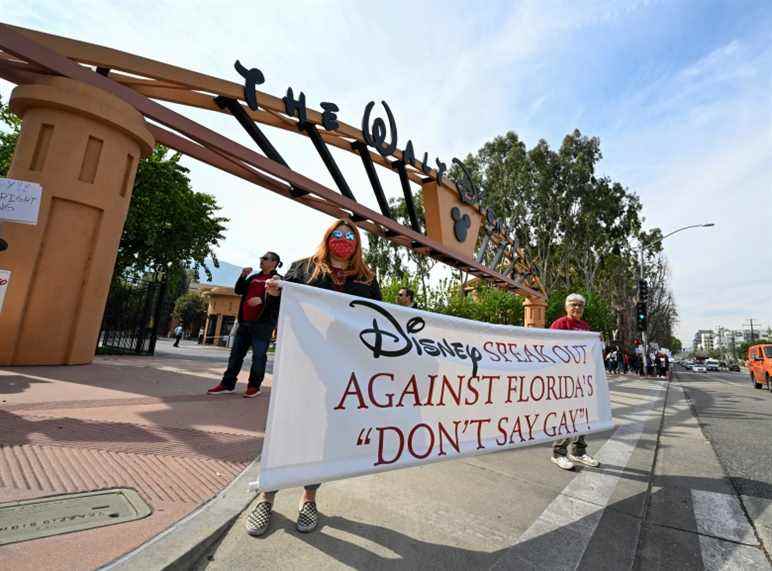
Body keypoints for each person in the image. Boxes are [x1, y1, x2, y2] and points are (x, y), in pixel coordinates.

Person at [245, 219, 381, 537]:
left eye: (350, 235)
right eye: (338, 234)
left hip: (340, 364)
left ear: (357, 242)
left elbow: (377, 319)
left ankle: (309, 498)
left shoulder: (366, 277)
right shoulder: (303, 268)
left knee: (323, 432)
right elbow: (279, 307)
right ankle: (267, 497)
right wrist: (275, 293)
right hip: (301, 360)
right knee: (288, 426)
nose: (343, 239)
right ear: (328, 236)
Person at [207, 252, 282, 398]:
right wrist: (242, 276)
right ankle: (227, 384)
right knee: (235, 355)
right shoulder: (254, 277)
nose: (261, 260)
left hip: (263, 325)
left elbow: (280, 299)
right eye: (261, 258)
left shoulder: (278, 280)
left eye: (265, 258)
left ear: (274, 263)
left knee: (259, 357)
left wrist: (262, 300)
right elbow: (239, 290)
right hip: (245, 322)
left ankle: (254, 387)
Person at [548, 293, 601, 471]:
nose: (577, 308)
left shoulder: (586, 327)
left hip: (583, 379)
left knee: (584, 415)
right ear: (566, 307)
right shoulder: (559, 324)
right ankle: (558, 453)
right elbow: (550, 349)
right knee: (567, 416)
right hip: (564, 378)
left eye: (580, 305)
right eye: (573, 304)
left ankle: (578, 451)